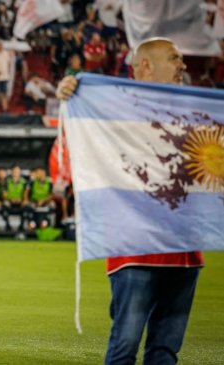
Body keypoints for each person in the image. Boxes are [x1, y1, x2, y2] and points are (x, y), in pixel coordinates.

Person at [56, 37, 203, 364]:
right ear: (146, 65)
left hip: (185, 252)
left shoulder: (196, 110)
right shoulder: (114, 108)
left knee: (165, 353)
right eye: (174, 58)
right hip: (136, 251)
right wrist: (70, 92)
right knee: (124, 348)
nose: (183, 65)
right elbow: (83, 141)